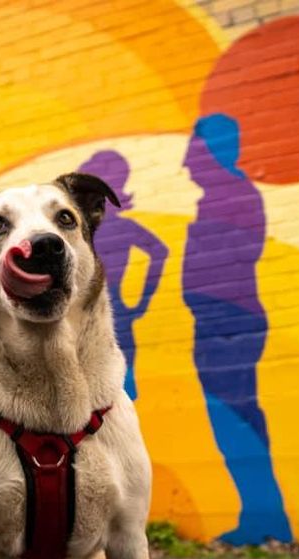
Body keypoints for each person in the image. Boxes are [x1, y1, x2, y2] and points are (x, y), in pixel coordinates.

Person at [182, 114, 292, 545]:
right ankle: (260, 514)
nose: (188, 163)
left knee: (237, 422)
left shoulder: (232, 197)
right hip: (219, 320)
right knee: (234, 423)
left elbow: (231, 259)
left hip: (227, 322)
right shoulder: (222, 198)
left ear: (213, 151)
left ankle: (266, 517)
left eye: (195, 152)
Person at [78, 150, 168, 400]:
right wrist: (141, 301)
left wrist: (143, 300)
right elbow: (159, 252)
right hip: (86, 314)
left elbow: (159, 251)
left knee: (119, 392)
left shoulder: (118, 227)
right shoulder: (77, 229)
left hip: (113, 314)